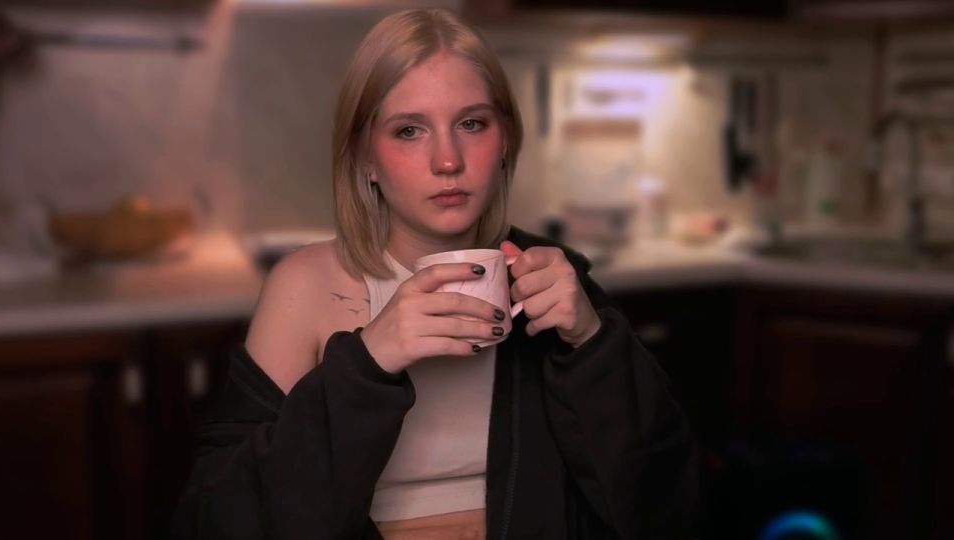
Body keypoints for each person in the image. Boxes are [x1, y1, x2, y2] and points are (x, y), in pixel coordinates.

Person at [172, 8, 697, 540]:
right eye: (409, 131)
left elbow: (669, 506)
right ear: (365, 159)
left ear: (505, 140)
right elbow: (218, 520)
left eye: (472, 124)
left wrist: (591, 343)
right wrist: (369, 360)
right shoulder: (303, 288)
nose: (448, 160)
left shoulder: (554, 279)